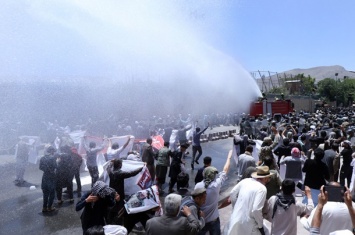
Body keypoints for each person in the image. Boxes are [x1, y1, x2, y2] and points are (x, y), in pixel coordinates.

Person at [226, 166, 273, 235]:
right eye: (269, 177)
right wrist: (260, 226)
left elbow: (232, 193)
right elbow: (256, 210)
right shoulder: (262, 189)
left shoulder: (245, 181)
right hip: (249, 225)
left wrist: (235, 208)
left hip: (235, 219)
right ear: (265, 178)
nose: (269, 179)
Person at [194, 150, 233, 235]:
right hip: (214, 220)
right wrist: (229, 157)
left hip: (201, 220)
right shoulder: (216, 185)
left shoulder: (197, 186)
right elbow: (225, 169)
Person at [106, 159, 143, 225]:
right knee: (120, 208)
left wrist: (111, 163)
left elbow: (108, 167)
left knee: (112, 206)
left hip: (112, 193)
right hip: (119, 194)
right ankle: (118, 221)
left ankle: (110, 220)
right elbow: (132, 173)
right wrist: (141, 168)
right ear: (120, 165)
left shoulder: (111, 172)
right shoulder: (120, 173)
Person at [39, 145, 57, 212]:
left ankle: (44, 207)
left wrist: (45, 169)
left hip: (45, 176)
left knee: (45, 193)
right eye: (53, 151)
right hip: (51, 176)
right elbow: (56, 166)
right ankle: (49, 207)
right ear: (52, 151)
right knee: (52, 192)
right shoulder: (52, 158)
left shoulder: (42, 158)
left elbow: (40, 167)